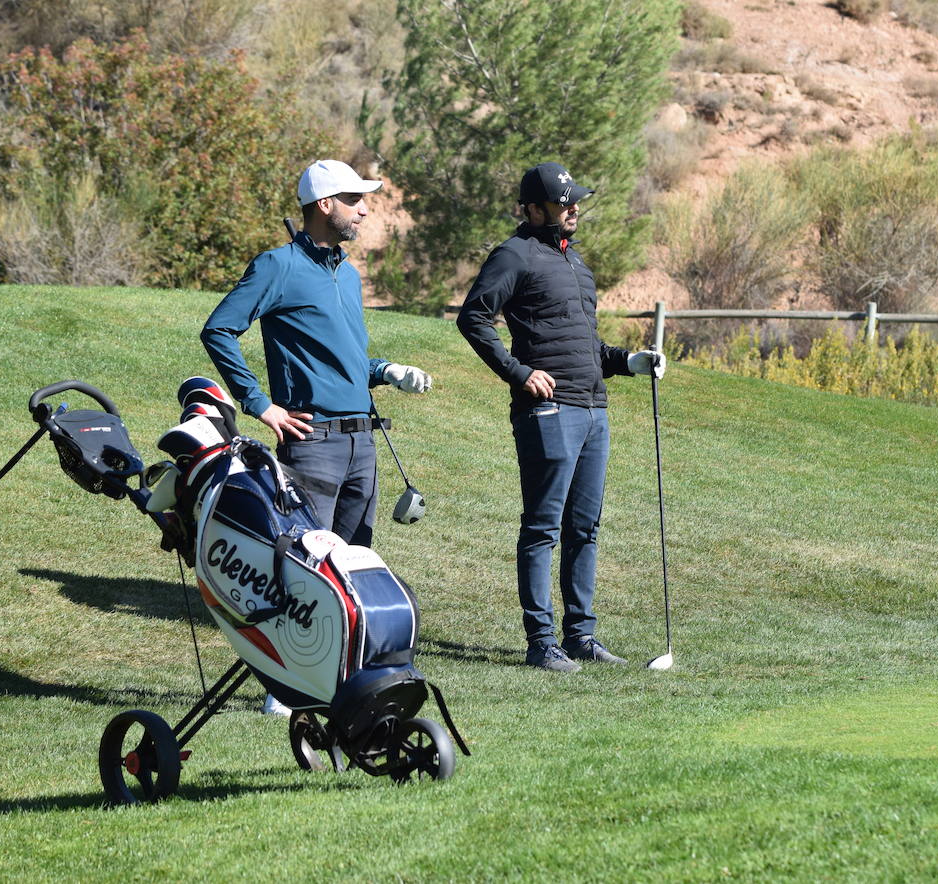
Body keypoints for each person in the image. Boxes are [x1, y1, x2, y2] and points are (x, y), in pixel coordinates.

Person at [201, 159, 432, 713]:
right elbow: (219, 330)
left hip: (360, 442)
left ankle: (342, 677)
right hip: (312, 442)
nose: (364, 208)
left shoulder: (346, 273)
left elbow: (344, 355)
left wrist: (384, 371)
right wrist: (261, 406)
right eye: (354, 199)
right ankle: (283, 687)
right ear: (323, 205)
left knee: (353, 566)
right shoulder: (276, 267)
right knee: (305, 566)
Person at [457, 161, 665, 674]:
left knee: (585, 527)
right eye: (563, 202)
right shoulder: (514, 254)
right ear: (533, 209)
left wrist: (629, 362)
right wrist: (517, 371)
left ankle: (581, 636)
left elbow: (585, 345)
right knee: (543, 527)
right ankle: (541, 642)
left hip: (594, 408)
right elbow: (473, 318)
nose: (574, 208)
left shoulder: (577, 265)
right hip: (548, 410)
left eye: (576, 200)